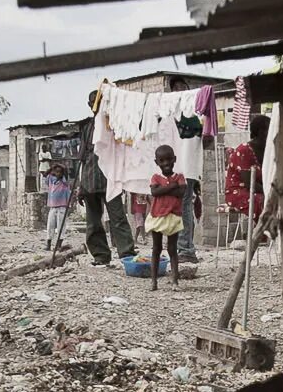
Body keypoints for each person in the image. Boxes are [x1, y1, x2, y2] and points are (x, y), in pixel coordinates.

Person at [77, 99, 136, 266]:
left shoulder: (113, 124)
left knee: (118, 218)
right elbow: (82, 158)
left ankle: (126, 253)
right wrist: (80, 187)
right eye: (94, 103)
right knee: (93, 222)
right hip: (90, 179)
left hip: (111, 179)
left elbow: (122, 151)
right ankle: (100, 255)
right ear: (90, 105)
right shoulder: (87, 127)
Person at [144, 145, 187, 292]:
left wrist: (165, 189)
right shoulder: (157, 177)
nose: (166, 164)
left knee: (172, 249)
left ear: (174, 160)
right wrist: (172, 187)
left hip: (173, 217)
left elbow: (181, 192)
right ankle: (153, 281)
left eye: (169, 160)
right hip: (157, 216)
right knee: (156, 248)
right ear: (157, 162)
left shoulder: (179, 176)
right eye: (162, 161)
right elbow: (154, 192)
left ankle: (175, 281)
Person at [224, 115, 269, 238]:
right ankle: (260, 234)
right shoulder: (244, 150)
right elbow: (250, 183)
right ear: (261, 132)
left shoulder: (267, 150)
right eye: (269, 130)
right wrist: (269, 191)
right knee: (263, 200)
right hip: (237, 191)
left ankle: (262, 232)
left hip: (257, 191)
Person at [44, 162, 72, 252]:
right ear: (54, 172)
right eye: (57, 172)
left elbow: (66, 171)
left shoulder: (64, 182)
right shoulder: (51, 180)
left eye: (60, 172)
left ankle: (59, 245)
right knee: (50, 225)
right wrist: (52, 167)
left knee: (61, 227)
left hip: (62, 207)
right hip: (53, 207)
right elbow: (45, 174)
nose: (58, 174)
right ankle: (48, 244)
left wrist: (59, 166)